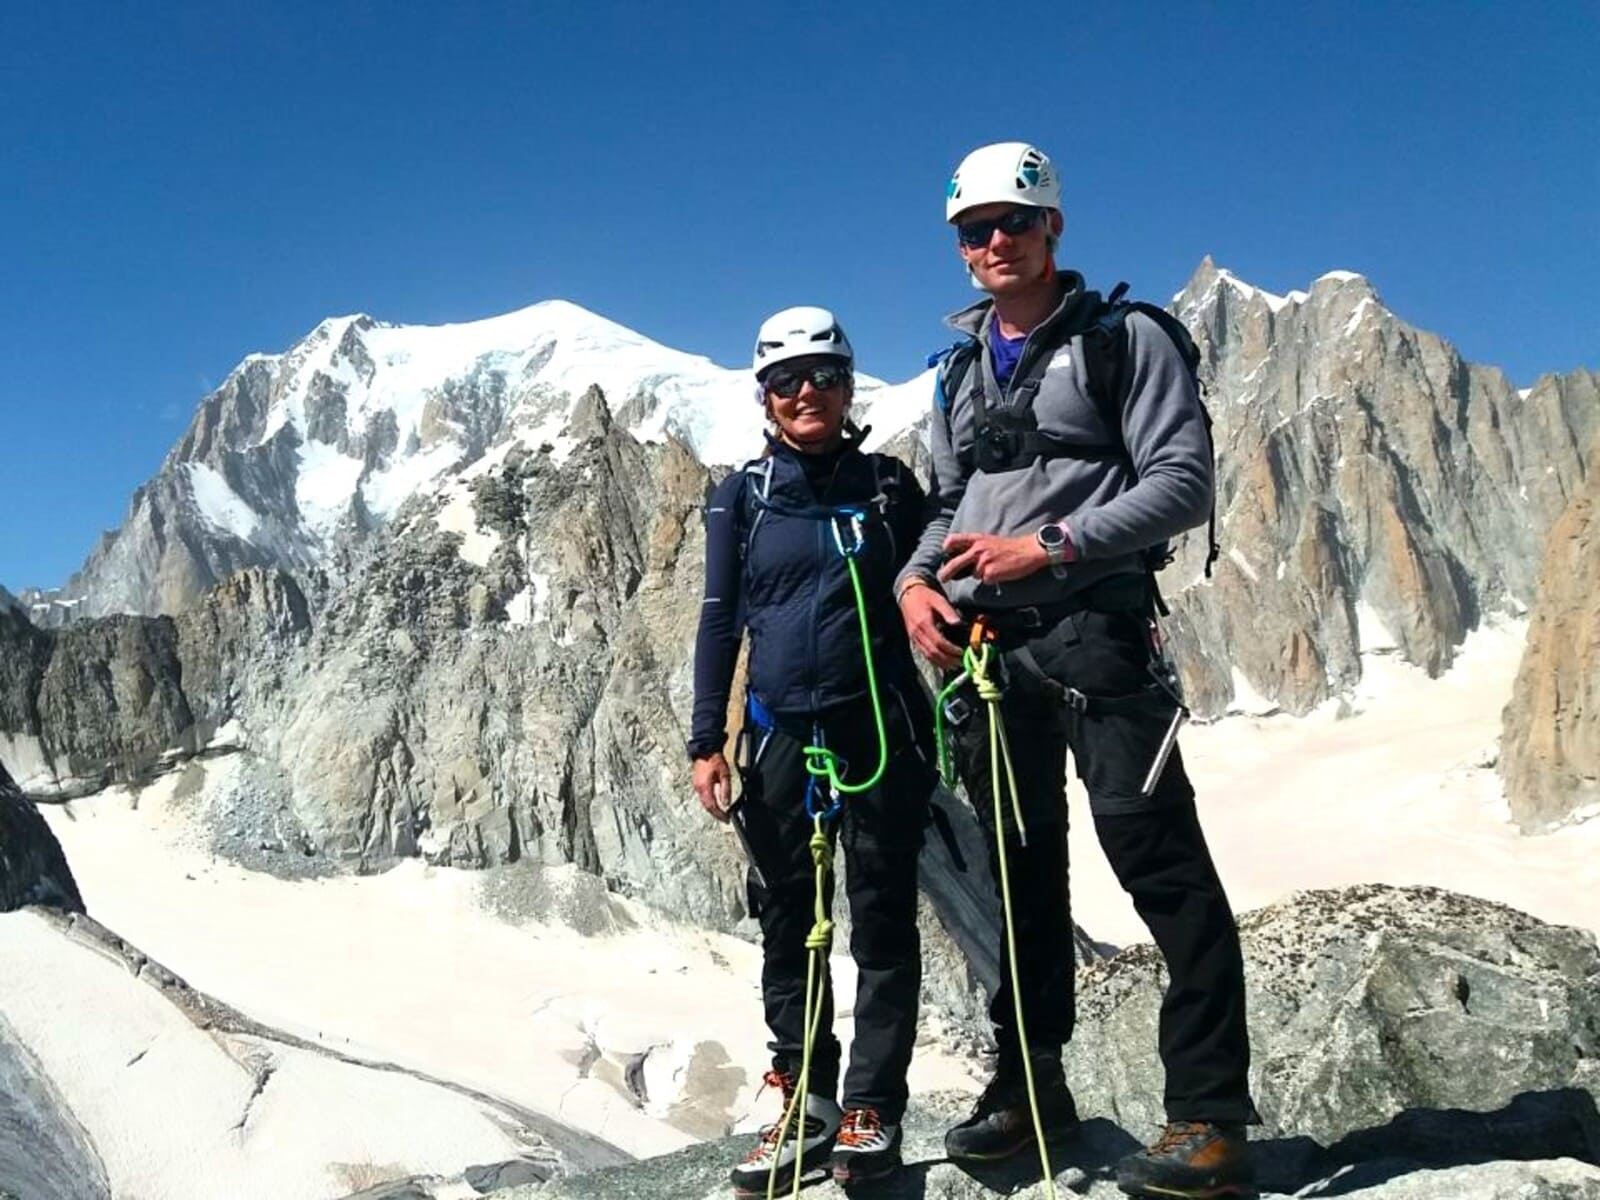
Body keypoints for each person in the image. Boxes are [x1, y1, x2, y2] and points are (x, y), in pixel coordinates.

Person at [894, 142, 1258, 1199]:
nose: (993, 242)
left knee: (1158, 864)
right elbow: (947, 501)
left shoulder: (1123, 340)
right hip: (987, 653)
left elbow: (1183, 484)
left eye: (1013, 222)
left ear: (1053, 227)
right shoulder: (960, 369)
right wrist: (916, 588)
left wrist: (1045, 550)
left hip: (1096, 637)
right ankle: (1028, 1089)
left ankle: (1209, 1116)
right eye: (974, 229)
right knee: (1017, 874)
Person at [689, 306, 936, 1194]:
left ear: (848, 386)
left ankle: (872, 1104)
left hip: (880, 732)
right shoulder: (742, 497)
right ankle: (805, 1103)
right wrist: (704, 740)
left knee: (879, 917)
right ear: (765, 397)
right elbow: (720, 620)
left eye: (823, 377)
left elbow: (932, 577)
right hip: (780, 739)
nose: (806, 394)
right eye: (786, 381)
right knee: (790, 922)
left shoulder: (888, 489)